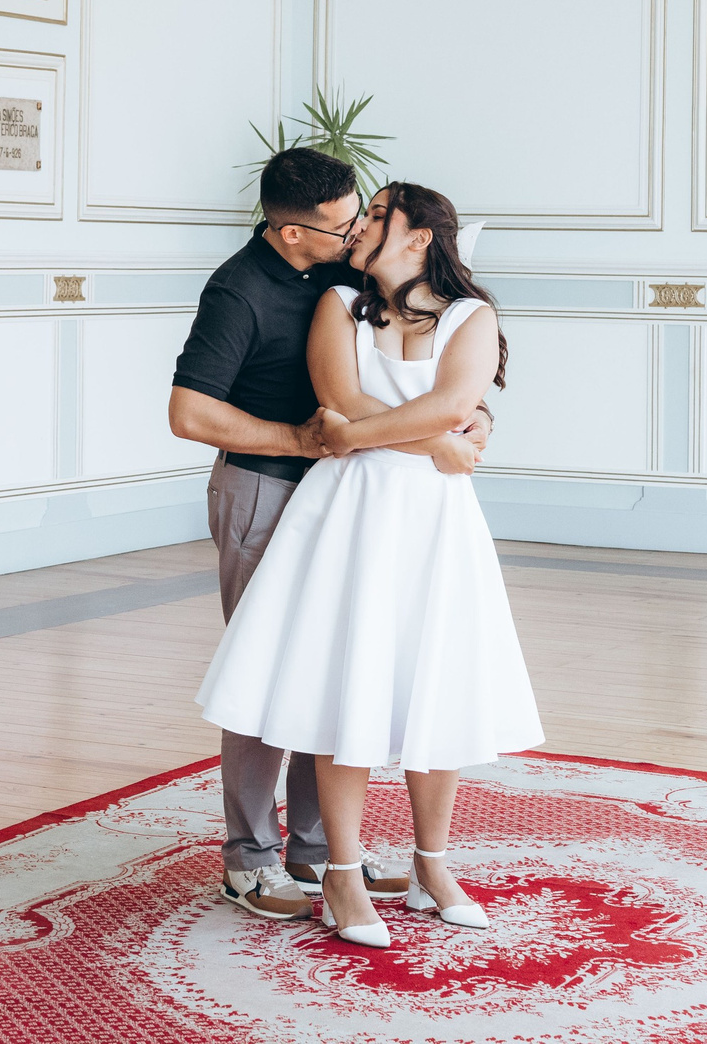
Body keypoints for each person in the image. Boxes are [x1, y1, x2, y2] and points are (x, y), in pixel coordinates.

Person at [196, 182, 543, 948]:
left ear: (420, 238)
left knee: (437, 682)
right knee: (337, 686)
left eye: (380, 215)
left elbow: (448, 403)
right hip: (347, 515)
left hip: (434, 522)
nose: (361, 226)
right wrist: (436, 443)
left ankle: (432, 865)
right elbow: (340, 405)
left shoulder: (472, 316)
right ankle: (339, 875)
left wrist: (418, 433)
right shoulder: (339, 307)